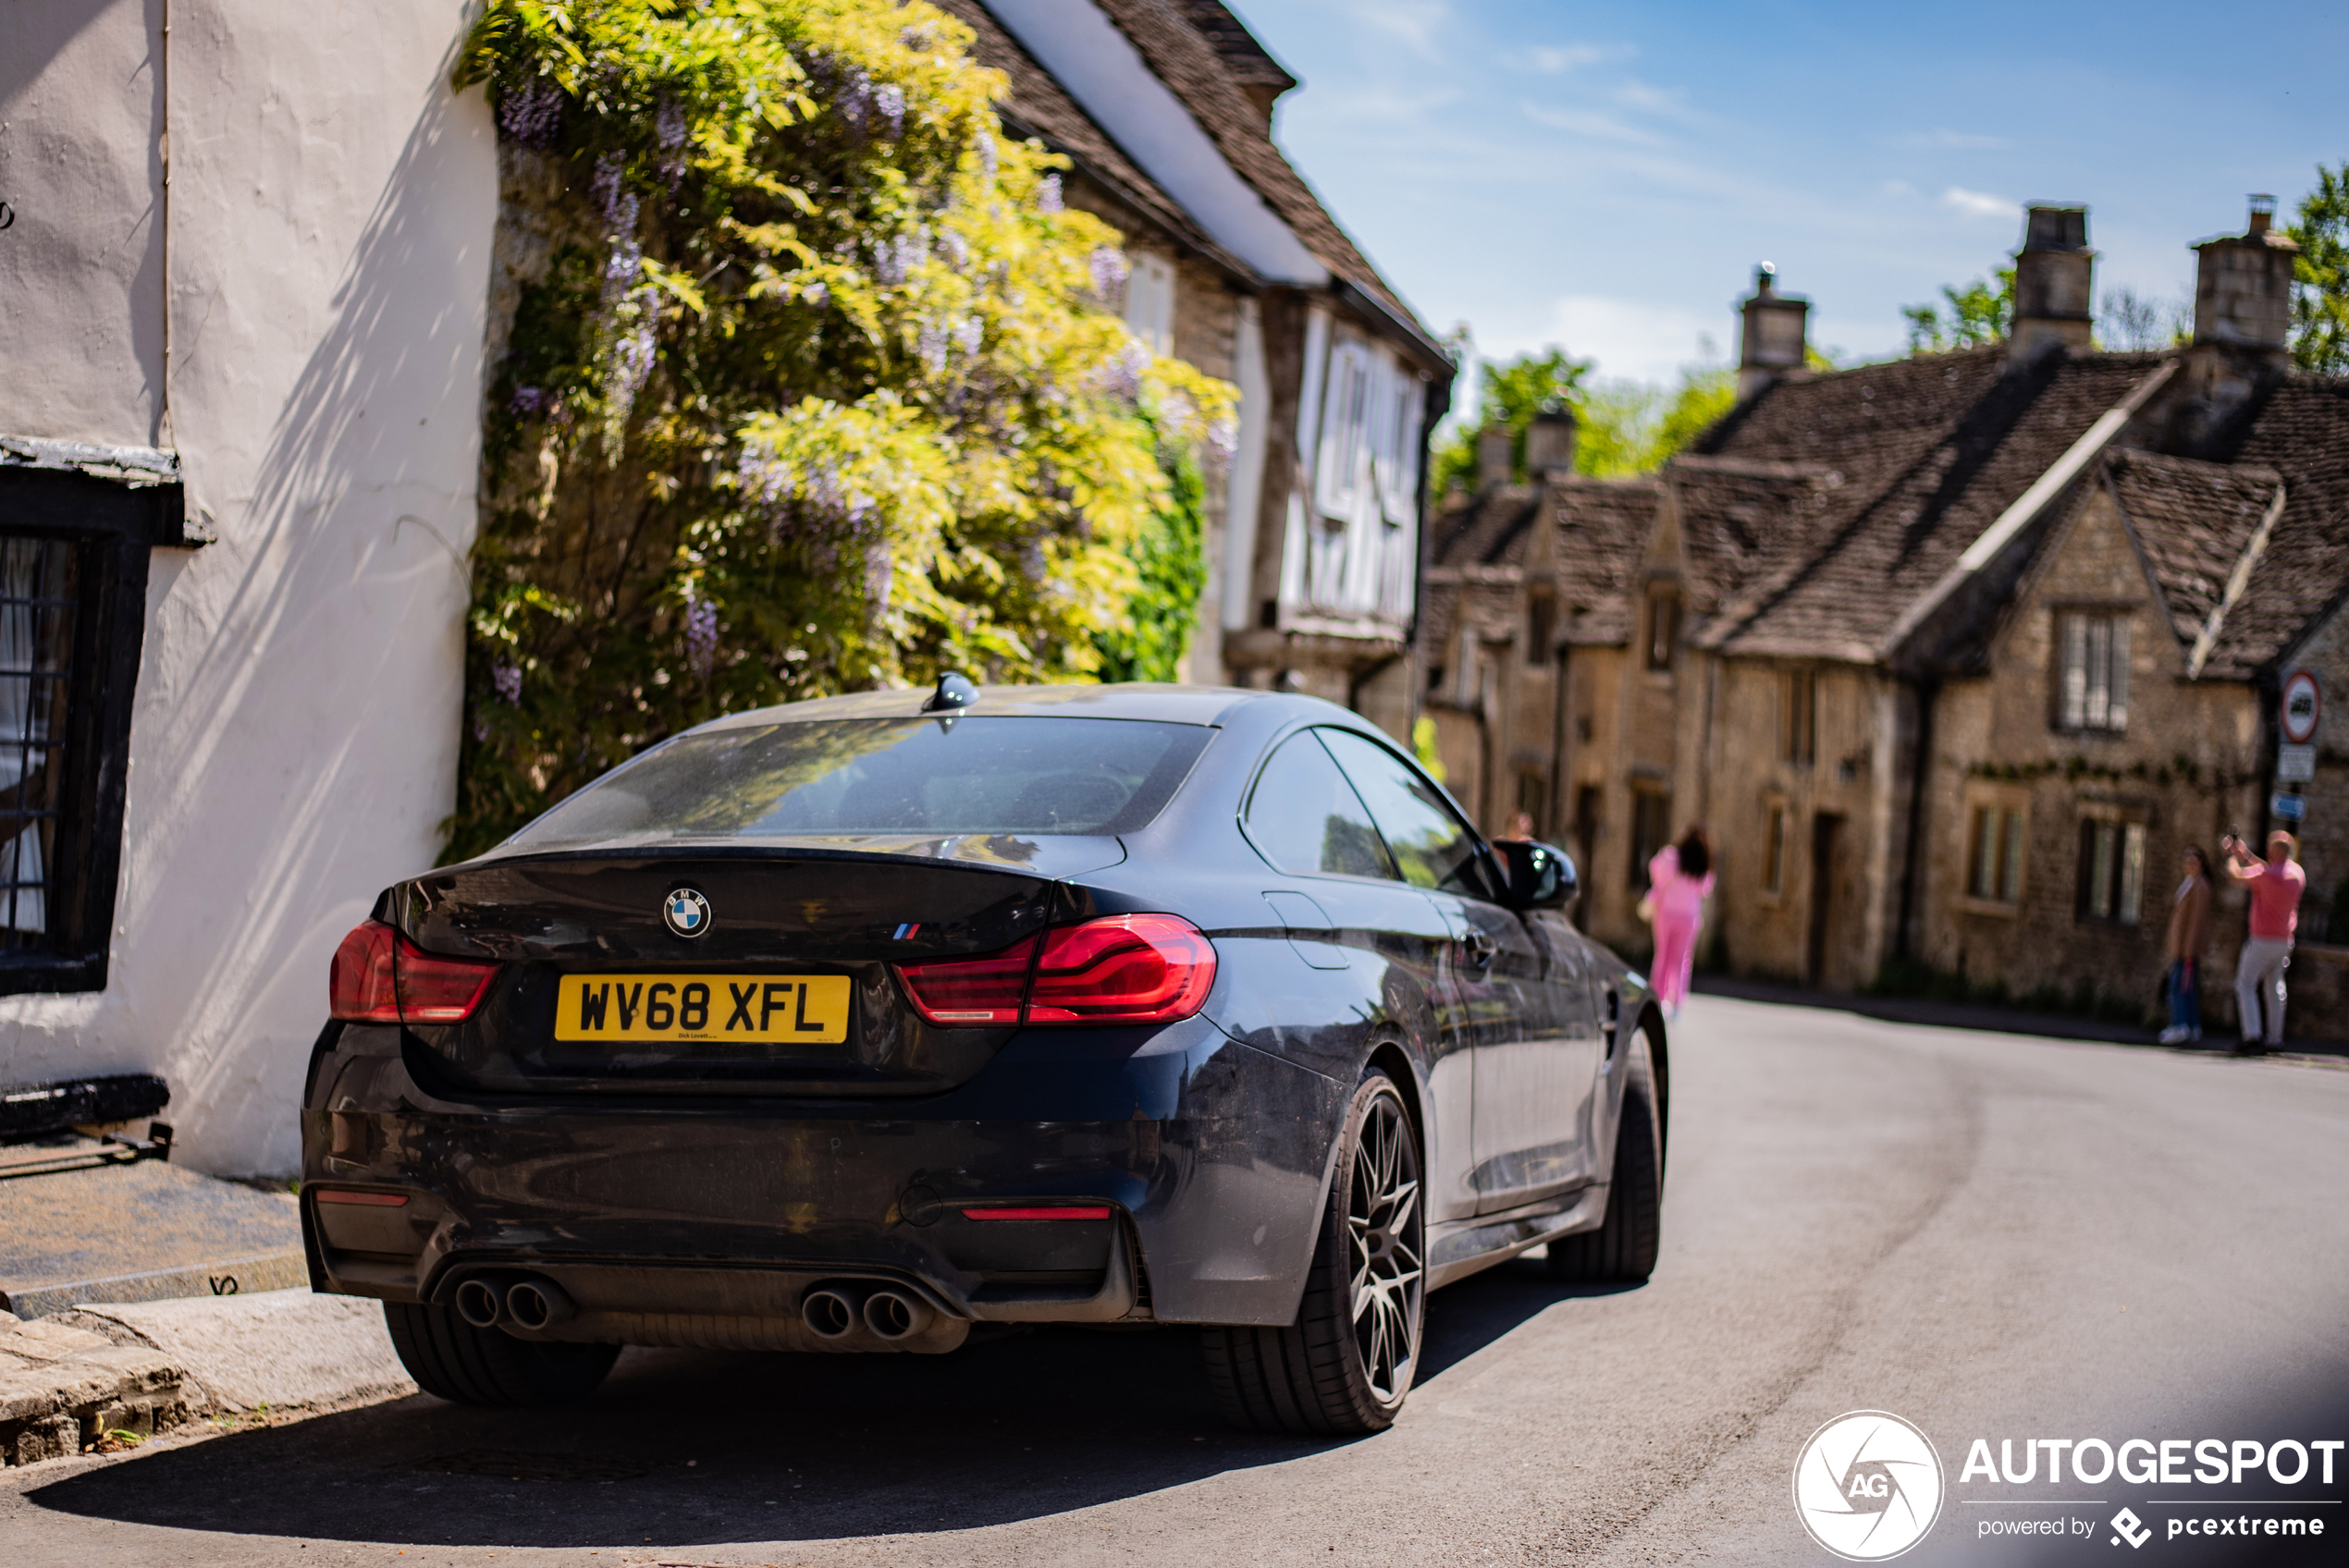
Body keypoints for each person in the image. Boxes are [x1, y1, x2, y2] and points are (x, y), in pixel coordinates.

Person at [2221, 828, 2306, 1054]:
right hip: (2284, 942)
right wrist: (2246, 854)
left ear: (2274, 850)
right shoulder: (2297, 874)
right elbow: (2269, 870)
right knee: (2275, 988)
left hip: (2261, 940)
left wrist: (2232, 856)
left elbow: (2235, 875)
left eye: (2270, 848)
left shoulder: (2266, 875)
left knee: (2245, 984)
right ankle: (2275, 1039)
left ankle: (2252, 1035)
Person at [1647, 825, 1714, 1020]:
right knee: (1681, 960)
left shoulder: (1672, 856)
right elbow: (1705, 890)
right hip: (1689, 917)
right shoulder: (1702, 865)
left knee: (1662, 957)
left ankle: (1656, 998)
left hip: (1666, 913)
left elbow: (1656, 871)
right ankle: (1677, 1002)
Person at [2158, 846, 2211, 1045]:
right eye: (2187, 861)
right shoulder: (2189, 883)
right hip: (2180, 946)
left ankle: (2180, 1025)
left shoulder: (2200, 886)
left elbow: (2197, 921)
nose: (2189, 865)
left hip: (2187, 948)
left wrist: (2189, 949)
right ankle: (2192, 1025)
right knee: (2187, 987)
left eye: (2193, 862)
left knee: (2178, 986)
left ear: (2201, 864)